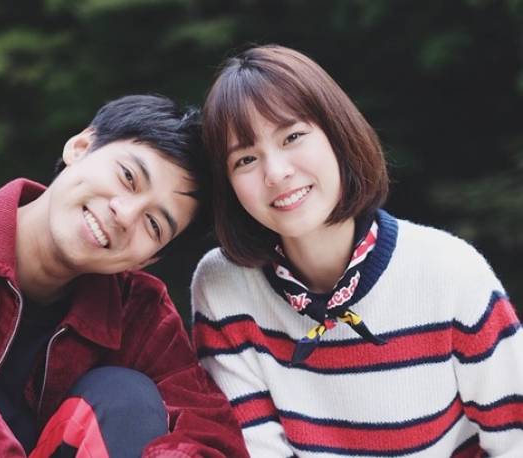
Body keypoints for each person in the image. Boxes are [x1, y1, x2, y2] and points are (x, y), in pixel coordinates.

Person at [0, 94, 248, 457]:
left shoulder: (138, 312)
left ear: (148, 259)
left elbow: (211, 432)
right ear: (80, 146)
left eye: (154, 224)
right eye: (128, 178)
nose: (125, 215)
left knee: (127, 398)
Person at [191, 45, 523, 457]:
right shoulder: (224, 288)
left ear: (337, 134)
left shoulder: (449, 273)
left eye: (292, 137)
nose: (276, 173)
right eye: (245, 159)